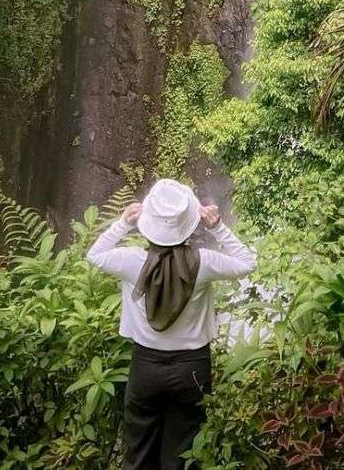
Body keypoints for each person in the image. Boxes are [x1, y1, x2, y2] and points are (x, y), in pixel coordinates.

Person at [86, 178, 257, 470]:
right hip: (192, 368)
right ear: (189, 223)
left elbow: (94, 254)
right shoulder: (203, 262)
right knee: (182, 455)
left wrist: (123, 223)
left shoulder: (130, 261)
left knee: (138, 453)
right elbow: (247, 262)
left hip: (145, 367)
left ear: (148, 222)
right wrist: (217, 227)